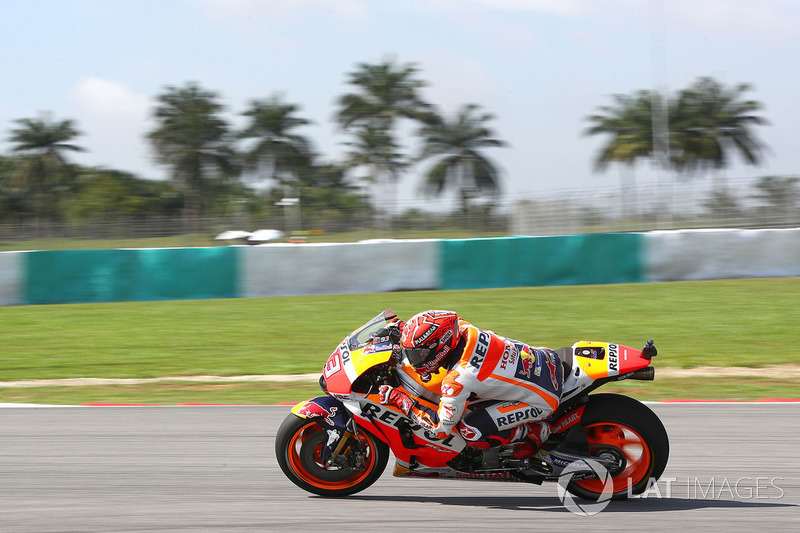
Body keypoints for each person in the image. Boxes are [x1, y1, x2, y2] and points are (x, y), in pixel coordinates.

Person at [378, 310, 563, 458]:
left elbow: (440, 429)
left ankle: (535, 431)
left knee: (470, 430)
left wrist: (401, 400)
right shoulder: (463, 328)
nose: (414, 361)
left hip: (542, 397)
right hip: (545, 359)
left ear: (441, 348)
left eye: (419, 355)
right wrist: (404, 329)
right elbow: (436, 329)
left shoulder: (458, 378)